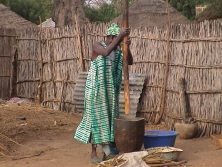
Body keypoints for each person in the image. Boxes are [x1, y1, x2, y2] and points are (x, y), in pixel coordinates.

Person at [74, 23, 133, 163]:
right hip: (95, 91)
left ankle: (107, 153)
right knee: (95, 120)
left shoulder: (118, 52)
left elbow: (130, 61)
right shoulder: (97, 46)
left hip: (110, 93)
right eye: (116, 39)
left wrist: (127, 47)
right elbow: (105, 52)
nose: (118, 44)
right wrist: (120, 36)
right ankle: (93, 153)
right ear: (110, 37)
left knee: (109, 121)